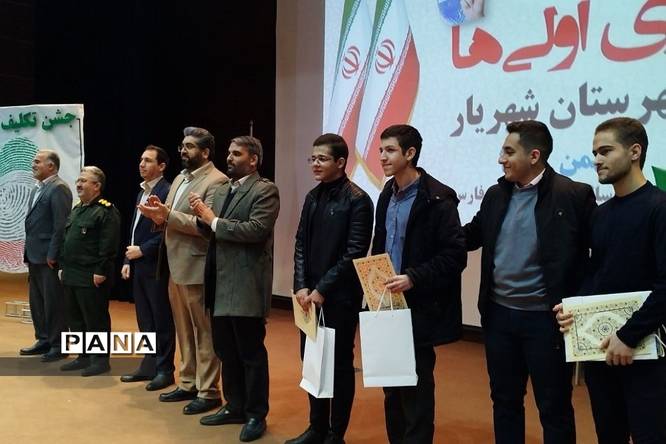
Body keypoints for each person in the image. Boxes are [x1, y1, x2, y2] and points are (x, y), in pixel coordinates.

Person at [464, 120, 596, 444]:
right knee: (504, 402)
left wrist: (580, 302)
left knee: (554, 407)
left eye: (509, 152)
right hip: (498, 317)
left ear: (534, 156)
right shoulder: (496, 195)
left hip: (545, 321)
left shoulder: (572, 195)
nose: (501, 159)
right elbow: (469, 236)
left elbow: (595, 258)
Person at [555, 117, 666, 444]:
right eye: (594, 153)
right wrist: (573, 310)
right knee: (609, 435)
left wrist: (629, 336)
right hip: (603, 352)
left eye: (606, 151)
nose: (597, 160)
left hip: (648, 354)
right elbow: (597, 274)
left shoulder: (660, 207)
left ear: (635, 152)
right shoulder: (601, 214)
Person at [370, 124, 467, 444]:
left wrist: (414, 277)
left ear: (410, 153)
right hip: (386, 305)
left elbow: (455, 256)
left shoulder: (438, 198)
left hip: (419, 307)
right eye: (381, 150)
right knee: (391, 388)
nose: (382, 157)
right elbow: (381, 245)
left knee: (416, 389)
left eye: (390, 150)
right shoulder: (387, 193)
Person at [189, 135, 280, 442]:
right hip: (219, 282)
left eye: (236, 154)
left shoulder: (265, 190)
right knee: (226, 350)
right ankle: (234, 406)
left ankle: (256, 414)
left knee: (250, 353)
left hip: (245, 284)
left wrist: (212, 220)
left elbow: (256, 231)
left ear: (253, 160)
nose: (229, 158)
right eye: (228, 153)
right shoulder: (223, 189)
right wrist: (201, 218)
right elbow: (212, 230)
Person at [286, 133, 374, 444]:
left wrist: (322, 288)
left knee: (338, 365)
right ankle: (317, 428)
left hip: (340, 298)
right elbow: (300, 243)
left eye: (322, 159)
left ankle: (336, 434)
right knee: (312, 361)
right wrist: (301, 285)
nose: (315, 164)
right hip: (308, 298)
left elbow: (354, 252)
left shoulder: (358, 199)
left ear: (340, 162)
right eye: (312, 158)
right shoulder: (313, 196)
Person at [138, 127, 226, 415]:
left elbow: (206, 225)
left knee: (204, 332)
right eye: (182, 146)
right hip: (173, 265)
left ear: (205, 152)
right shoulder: (179, 178)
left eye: (190, 146)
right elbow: (169, 218)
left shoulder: (217, 180)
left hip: (197, 265)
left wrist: (167, 215)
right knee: (184, 330)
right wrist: (157, 215)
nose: (183, 151)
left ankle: (208, 391)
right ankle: (188, 382)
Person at [120, 145, 176, 391]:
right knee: (145, 319)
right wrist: (127, 260)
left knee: (161, 319)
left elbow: (168, 230)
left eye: (148, 160)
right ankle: (149, 364)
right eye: (141, 159)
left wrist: (142, 250)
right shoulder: (141, 192)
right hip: (139, 264)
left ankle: (165, 370)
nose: (142, 164)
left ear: (161, 166)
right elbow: (135, 229)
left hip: (157, 265)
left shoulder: (167, 191)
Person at [59, 166, 121, 376]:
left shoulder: (106, 211)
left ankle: (100, 361)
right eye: (78, 180)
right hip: (71, 273)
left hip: (91, 275)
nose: (78, 184)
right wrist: (62, 267)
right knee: (75, 318)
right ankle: (82, 356)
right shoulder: (77, 209)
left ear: (97, 186)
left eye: (84, 181)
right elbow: (66, 241)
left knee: (95, 319)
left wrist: (101, 271)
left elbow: (109, 245)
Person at [21, 150, 73, 362]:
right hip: (34, 255)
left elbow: (60, 226)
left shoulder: (59, 188)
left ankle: (59, 344)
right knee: (37, 302)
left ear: (51, 166)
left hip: (49, 258)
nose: (33, 164)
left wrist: (53, 254)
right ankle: (43, 339)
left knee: (54, 303)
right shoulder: (38, 188)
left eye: (37, 161)